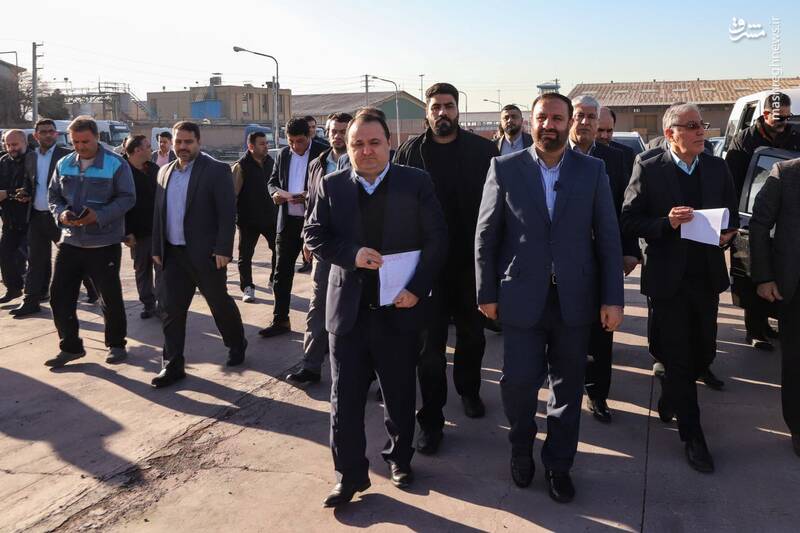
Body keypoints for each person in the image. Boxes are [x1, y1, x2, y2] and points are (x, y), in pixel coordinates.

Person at [476, 92, 624, 503]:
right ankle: (521, 447)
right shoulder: (505, 168)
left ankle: (559, 464)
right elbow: (486, 234)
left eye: (558, 118)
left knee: (568, 388)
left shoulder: (592, 170)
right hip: (521, 297)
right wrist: (486, 291)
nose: (549, 125)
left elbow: (608, 237)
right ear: (531, 120)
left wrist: (613, 298)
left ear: (569, 122)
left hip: (575, 300)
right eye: (542, 117)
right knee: (519, 384)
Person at [305, 112, 447, 507]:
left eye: (374, 143)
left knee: (399, 393)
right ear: (347, 148)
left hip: (398, 309)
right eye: (358, 144)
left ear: (389, 144)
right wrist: (351, 254)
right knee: (344, 399)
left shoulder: (415, 183)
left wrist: (417, 289)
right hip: (348, 313)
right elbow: (314, 233)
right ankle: (349, 476)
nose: (366, 151)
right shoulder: (332, 185)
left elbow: (437, 239)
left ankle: (399, 459)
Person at [622, 103, 739, 473]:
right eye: (691, 126)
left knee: (704, 351)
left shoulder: (717, 167)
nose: (701, 130)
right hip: (667, 279)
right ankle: (693, 436)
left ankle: (671, 391)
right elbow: (630, 220)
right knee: (678, 355)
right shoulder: (648, 166)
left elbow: (731, 215)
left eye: (701, 124)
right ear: (670, 133)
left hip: (706, 277)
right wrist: (666, 223)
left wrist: (728, 234)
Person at [394, 82, 499, 454]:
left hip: (470, 265)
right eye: (436, 106)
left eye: (449, 106)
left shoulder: (484, 152)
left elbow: (497, 208)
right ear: (427, 112)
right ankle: (431, 421)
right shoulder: (409, 152)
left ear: (458, 110)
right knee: (429, 349)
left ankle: (469, 390)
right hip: (427, 268)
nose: (442, 112)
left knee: (472, 337)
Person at [150, 121, 248, 388]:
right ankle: (172, 364)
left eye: (188, 142)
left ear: (198, 142)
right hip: (173, 254)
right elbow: (159, 212)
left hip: (206, 254)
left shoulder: (216, 170)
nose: (182, 147)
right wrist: (157, 248)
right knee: (171, 310)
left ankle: (236, 342)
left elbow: (227, 213)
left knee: (218, 303)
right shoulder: (164, 172)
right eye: (178, 142)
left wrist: (223, 249)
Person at [568, 95, 641, 423]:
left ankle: (597, 394)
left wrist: (630, 250)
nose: (584, 122)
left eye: (591, 117)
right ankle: (565, 384)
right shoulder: (552, 155)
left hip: (602, 259)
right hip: (562, 261)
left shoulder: (617, 159)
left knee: (602, 329)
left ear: (599, 123)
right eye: (579, 115)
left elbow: (628, 209)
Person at [45, 116, 136, 368]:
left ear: (96, 137)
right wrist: (61, 214)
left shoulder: (116, 164)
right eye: (75, 141)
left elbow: (127, 198)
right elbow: (53, 196)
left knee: (109, 298)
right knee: (59, 296)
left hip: (103, 244)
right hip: (70, 242)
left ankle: (116, 344)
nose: (80, 146)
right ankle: (70, 346)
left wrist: (100, 216)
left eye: (85, 141)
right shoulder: (64, 163)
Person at [726, 92, 800, 350]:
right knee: (752, 273)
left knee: (781, 273)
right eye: (780, 117)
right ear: (765, 115)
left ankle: (771, 323)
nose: (784, 122)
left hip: (785, 216)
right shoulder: (745, 140)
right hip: (751, 213)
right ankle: (755, 329)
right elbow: (732, 180)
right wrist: (736, 216)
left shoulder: (794, 135)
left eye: (789, 117)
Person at [287, 112, 353, 385]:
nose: (337, 136)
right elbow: (312, 204)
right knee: (318, 305)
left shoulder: (362, 161)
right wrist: (307, 238)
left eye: (343, 131)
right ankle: (311, 365)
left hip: (355, 246)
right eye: (333, 131)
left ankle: (366, 372)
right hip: (324, 246)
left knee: (357, 308)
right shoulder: (318, 163)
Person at [750, 157, 800, 458]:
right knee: (796, 361)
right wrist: (764, 277)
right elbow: (758, 225)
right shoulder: (786, 173)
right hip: (795, 287)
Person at [258, 118, 326, 337]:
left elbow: (330, 184)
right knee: (281, 273)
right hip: (287, 222)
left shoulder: (323, 153)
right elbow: (272, 181)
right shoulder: (284, 155)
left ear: (309, 136)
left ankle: (324, 328)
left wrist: (309, 195)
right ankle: (280, 319)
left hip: (315, 223)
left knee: (322, 276)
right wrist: (274, 194)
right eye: (291, 141)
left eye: (300, 141)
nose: (296, 146)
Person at [11, 119, 73, 317]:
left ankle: (92, 290)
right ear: (36, 136)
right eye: (43, 132)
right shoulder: (31, 157)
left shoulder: (66, 156)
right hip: (37, 216)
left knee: (72, 257)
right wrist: (25, 193)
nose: (48, 135)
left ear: (56, 134)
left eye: (51, 131)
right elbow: (29, 183)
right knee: (35, 260)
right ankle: (31, 300)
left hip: (59, 217)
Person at [232, 131, 277, 303]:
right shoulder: (241, 166)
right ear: (251, 146)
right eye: (262, 144)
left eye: (266, 143)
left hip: (270, 218)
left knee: (278, 251)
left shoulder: (271, 163)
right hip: (248, 220)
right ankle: (247, 287)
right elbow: (233, 194)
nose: (266, 146)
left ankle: (274, 280)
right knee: (245, 256)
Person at [123, 134, 162, 319]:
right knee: (142, 270)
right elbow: (119, 204)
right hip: (137, 234)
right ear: (137, 150)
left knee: (162, 269)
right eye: (147, 146)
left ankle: (163, 304)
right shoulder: (122, 171)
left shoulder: (154, 169)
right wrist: (126, 232)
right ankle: (148, 304)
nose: (151, 149)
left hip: (158, 230)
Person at [0, 130, 30, 304]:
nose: (12, 148)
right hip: (10, 219)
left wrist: (8, 193)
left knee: (36, 258)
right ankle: (14, 288)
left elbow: (31, 188)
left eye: (15, 144)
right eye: (8, 145)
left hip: (31, 218)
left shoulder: (33, 160)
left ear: (25, 143)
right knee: (5, 255)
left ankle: (91, 287)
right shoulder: (3, 161)